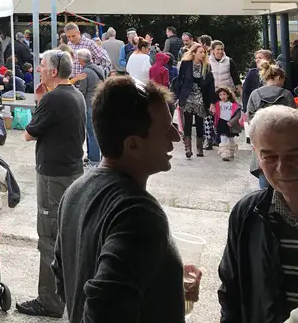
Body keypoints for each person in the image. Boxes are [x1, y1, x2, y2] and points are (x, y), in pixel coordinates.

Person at [53, 76, 193, 322]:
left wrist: (167, 289)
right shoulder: (138, 215)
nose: (176, 137)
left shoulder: (76, 191)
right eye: (165, 129)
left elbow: (65, 282)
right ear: (133, 144)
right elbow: (104, 312)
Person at [17, 49, 86, 318]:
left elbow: (28, 133)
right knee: (66, 235)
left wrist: (40, 102)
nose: (39, 70)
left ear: (54, 71)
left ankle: (50, 301)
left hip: (54, 176)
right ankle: (66, 296)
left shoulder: (54, 97)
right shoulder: (75, 94)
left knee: (48, 238)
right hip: (71, 172)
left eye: (42, 65)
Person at [219, 105, 298, 322]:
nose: (282, 167)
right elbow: (231, 292)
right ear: (257, 155)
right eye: (269, 157)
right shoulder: (247, 213)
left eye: (294, 155)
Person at [174, 43, 215, 159]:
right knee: (187, 123)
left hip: (201, 98)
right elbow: (180, 80)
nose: (203, 54)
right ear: (194, 53)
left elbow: (211, 85)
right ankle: (188, 148)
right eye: (200, 52)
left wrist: (212, 102)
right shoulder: (186, 64)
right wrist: (178, 97)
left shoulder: (207, 66)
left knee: (199, 123)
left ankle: (199, 148)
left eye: (204, 52)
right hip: (187, 97)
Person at [73, 48, 103, 167]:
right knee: (95, 131)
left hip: (89, 103)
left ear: (81, 60)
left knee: (91, 132)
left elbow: (82, 91)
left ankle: (94, 160)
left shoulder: (85, 72)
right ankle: (93, 156)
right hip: (98, 102)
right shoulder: (99, 68)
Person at [212, 86, 242, 161]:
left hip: (231, 123)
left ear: (228, 95)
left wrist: (231, 122)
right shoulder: (217, 104)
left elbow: (238, 115)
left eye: (224, 94)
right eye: (220, 95)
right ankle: (224, 154)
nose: (222, 96)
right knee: (223, 138)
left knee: (231, 138)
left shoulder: (233, 105)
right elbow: (213, 112)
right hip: (221, 122)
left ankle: (231, 151)